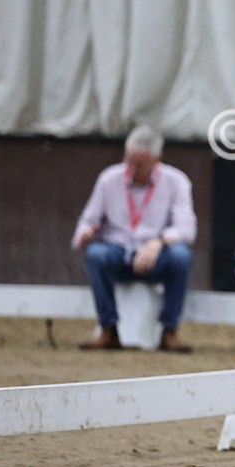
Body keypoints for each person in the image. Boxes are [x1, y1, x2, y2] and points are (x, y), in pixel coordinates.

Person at [72, 125, 198, 352]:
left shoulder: (176, 181)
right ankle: (108, 329)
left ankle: (169, 331)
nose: (131, 168)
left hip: (157, 257)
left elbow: (187, 230)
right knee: (96, 255)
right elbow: (87, 220)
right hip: (118, 252)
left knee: (181, 256)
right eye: (129, 161)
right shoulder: (109, 179)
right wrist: (86, 233)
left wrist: (158, 242)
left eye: (139, 163)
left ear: (156, 159)